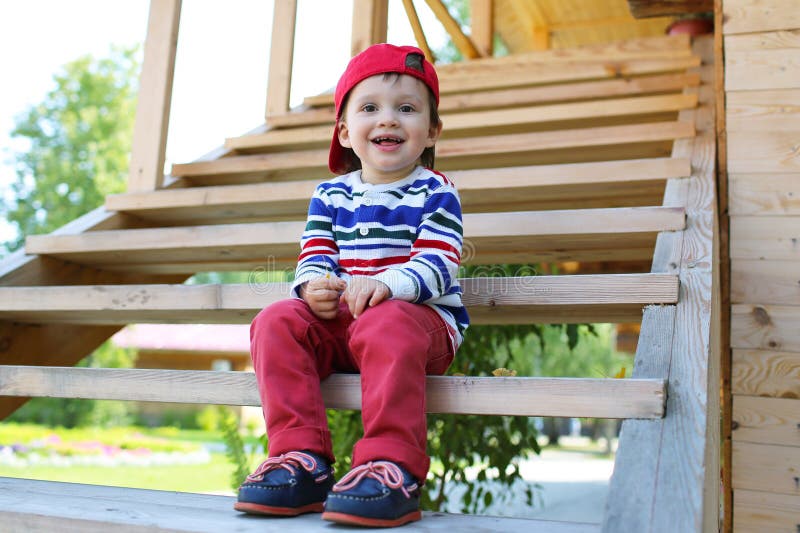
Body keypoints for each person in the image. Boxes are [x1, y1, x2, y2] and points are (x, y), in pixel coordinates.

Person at [234, 43, 468, 528]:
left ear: (431, 131)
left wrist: (388, 283)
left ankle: (391, 466)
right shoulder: (330, 194)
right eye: (369, 108)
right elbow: (315, 254)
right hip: (344, 327)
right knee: (276, 318)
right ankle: (301, 459)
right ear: (343, 130)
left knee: (387, 320)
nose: (388, 120)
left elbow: (440, 262)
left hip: (418, 330)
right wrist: (312, 287)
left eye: (407, 109)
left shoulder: (436, 191)